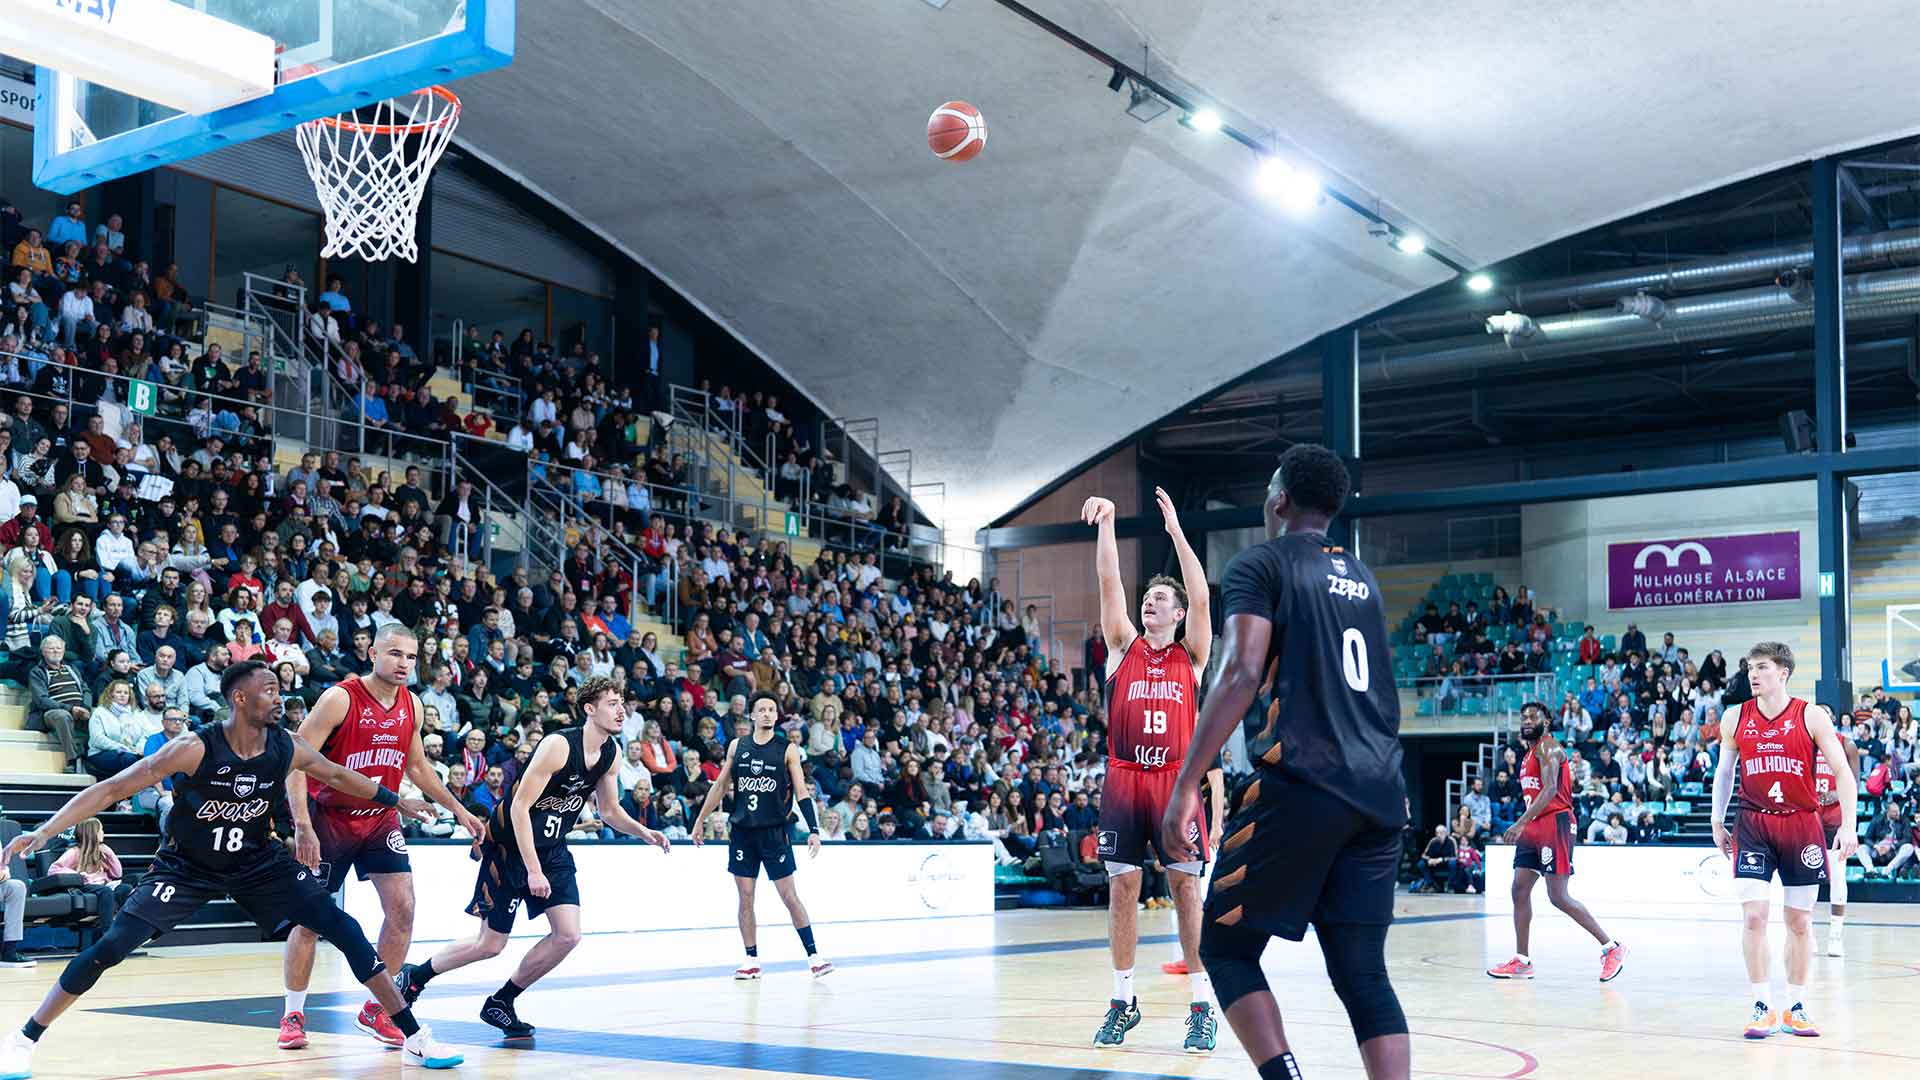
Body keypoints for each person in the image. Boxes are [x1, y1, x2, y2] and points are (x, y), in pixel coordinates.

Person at [0, 660, 463, 1074]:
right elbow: (111, 789)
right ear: (240, 698)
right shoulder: (194, 747)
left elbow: (337, 774)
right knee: (112, 947)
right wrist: (44, 830)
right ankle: (23, 1039)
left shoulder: (285, 746)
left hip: (258, 864)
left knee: (344, 928)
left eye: (280, 689)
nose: (279, 697)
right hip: (186, 869)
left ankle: (416, 1040)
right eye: (268, 690)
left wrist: (395, 800)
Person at [1156, 444, 1411, 1080]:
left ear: (1280, 500)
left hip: (1304, 783)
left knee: (1226, 947)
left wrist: (1188, 782)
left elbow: (1241, 668)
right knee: (1362, 973)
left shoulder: (1260, 563)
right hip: (1380, 792)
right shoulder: (1364, 577)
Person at [394, 677, 670, 1038]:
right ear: (589, 709)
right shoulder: (558, 745)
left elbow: (610, 811)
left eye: (622, 703)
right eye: (612, 703)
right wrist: (533, 870)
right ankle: (414, 977)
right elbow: (521, 807)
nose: (621, 710)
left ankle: (502, 1002)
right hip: (511, 846)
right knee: (489, 945)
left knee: (568, 935)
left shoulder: (611, 753)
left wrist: (644, 832)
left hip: (552, 849)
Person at [277, 625, 486, 1051]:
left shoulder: (412, 703)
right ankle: (293, 1014)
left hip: (380, 819)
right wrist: (302, 824)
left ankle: (378, 1010)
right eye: (394, 654)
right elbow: (296, 761)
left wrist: (459, 809)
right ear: (372, 653)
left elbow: (418, 768)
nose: (403, 664)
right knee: (310, 920)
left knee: (403, 910)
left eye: (410, 657)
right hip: (330, 818)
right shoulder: (340, 697)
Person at [1079, 485, 1222, 1052]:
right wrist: (1108, 522)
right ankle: (1122, 1000)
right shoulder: (1121, 647)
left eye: (1162, 601)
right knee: (1123, 891)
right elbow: (1109, 582)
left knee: (1187, 892)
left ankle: (1201, 1005)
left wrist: (1177, 535)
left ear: (1179, 614)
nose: (1150, 603)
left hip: (1174, 784)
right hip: (1124, 777)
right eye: (1150, 600)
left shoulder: (1192, 655)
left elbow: (1204, 599)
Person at [1710, 641, 1857, 1040]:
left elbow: (1843, 773)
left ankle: (1795, 1005)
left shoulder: (1810, 716)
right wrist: (1716, 820)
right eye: (1750, 668)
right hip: (1753, 824)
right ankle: (1761, 1005)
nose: (1753, 675)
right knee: (1754, 916)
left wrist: (1849, 825)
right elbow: (1725, 773)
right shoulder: (1734, 716)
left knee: (1799, 921)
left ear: (1783, 672)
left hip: (1801, 824)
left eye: (1761, 668)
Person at [689, 691, 833, 980]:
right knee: (745, 897)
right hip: (742, 832)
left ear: (777, 715)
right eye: (762, 709)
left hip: (774, 832)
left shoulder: (787, 749)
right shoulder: (737, 746)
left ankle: (815, 956)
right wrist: (699, 821)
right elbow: (719, 786)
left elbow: (802, 792)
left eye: (771, 709)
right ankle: (751, 959)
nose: (767, 713)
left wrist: (814, 829)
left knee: (789, 896)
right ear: (752, 716)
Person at [1486, 702, 1626, 982]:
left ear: (1547, 721)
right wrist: (1527, 823)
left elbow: (1550, 789)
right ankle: (1522, 960)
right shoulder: (1528, 753)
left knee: (1558, 896)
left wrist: (1521, 821)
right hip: (1535, 826)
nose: (1527, 720)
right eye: (1523, 716)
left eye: (1533, 716)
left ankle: (1612, 947)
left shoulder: (1548, 746)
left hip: (1555, 824)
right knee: (1519, 889)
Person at [1812, 719, 1860, 957]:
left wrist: (1836, 793)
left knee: (1838, 876)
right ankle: (1807, 933)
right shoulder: (1807, 744)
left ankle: (1835, 935)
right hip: (1809, 819)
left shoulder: (1846, 745)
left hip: (1835, 821)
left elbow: (1855, 784)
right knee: (1806, 878)